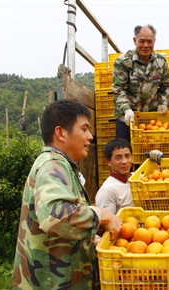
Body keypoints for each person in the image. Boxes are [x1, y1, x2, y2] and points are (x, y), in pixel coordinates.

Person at [12, 99, 122, 290]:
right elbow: (54, 215)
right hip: (50, 282)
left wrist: (93, 239)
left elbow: (67, 222)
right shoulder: (51, 164)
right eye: (85, 129)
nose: (90, 136)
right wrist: (101, 216)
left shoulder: (64, 166)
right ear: (61, 133)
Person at [113, 24, 169, 141]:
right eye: (142, 41)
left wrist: (164, 102)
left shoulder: (160, 62)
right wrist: (126, 109)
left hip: (151, 119)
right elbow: (119, 89)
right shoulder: (124, 61)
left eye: (150, 41)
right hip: (127, 117)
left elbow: (166, 86)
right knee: (125, 150)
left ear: (154, 41)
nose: (146, 45)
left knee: (151, 152)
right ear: (135, 41)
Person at [96, 138, 134, 215]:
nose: (124, 161)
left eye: (127, 156)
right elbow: (107, 222)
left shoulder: (139, 178)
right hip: (129, 226)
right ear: (108, 162)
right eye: (118, 158)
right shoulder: (108, 190)